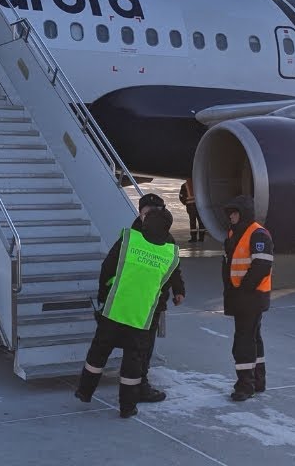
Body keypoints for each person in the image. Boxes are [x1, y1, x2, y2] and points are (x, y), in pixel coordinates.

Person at [74, 208, 180, 418]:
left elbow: (108, 268)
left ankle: (85, 391)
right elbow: (164, 287)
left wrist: (103, 295)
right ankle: (127, 407)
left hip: (115, 310)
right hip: (141, 318)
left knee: (98, 353)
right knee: (133, 363)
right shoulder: (171, 254)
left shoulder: (129, 240)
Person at [126, 193, 184, 402]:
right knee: (136, 346)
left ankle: (139, 382)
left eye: (155, 213)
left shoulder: (166, 236)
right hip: (135, 300)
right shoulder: (133, 235)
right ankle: (136, 385)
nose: (150, 217)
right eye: (147, 213)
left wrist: (179, 290)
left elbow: (174, 266)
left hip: (155, 300)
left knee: (146, 345)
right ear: (141, 213)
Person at [220, 195, 273, 402]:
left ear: (242, 213)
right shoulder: (234, 233)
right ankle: (258, 380)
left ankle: (245, 385)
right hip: (241, 295)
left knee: (243, 341)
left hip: (251, 296)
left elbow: (261, 266)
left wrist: (243, 290)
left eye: (234, 212)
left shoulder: (258, 234)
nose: (231, 216)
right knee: (253, 337)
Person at [179, 179, 205, 243]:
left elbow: (181, 196)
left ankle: (194, 238)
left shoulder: (185, 185)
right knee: (201, 222)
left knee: (192, 222)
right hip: (199, 206)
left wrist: (185, 202)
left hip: (191, 206)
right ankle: (201, 238)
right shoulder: (199, 184)